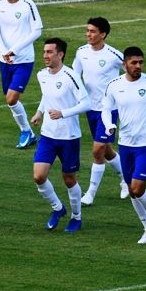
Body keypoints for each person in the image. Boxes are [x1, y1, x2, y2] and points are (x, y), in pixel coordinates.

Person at [101, 47, 146, 244]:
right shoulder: (114, 85)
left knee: (138, 188)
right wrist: (109, 125)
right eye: (134, 63)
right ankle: (145, 225)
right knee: (131, 190)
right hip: (125, 143)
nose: (138, 66)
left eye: (141, 62)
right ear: (125, 64)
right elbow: (106, 108)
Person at [30, 37, 93, 232]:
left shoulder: (70, 76)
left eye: (49, 52)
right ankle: (58, 208)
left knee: (69, 179)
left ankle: (76, 217)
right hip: (48, 135)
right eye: (44, 52)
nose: (45, 56)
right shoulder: (42, 75)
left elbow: (86, 103)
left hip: (69, 137)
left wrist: (62, 113)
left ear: (60, 54)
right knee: (39, 176)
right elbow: (46, 96)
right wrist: (40, 112)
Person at [72, 17, 126, 205]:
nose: (89, 34)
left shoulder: (113, 55)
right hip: (90, 108)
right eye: (87, 30)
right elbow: (74, 76)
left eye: (93, 31)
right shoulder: (81, 52)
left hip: (109, 110)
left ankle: (90, 193)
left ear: (103, 34)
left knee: (97, 151)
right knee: (106, 149)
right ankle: (125, 179)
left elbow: (131, 71)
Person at [0, 0, 43, 149]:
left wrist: (14, 50)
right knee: (9, 99)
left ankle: (26, 131)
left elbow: (37, 31)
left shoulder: (28, 5)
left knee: (12, 98)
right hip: (4, 59)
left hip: (23, 60)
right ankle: (28, 132)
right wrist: (4, 51)